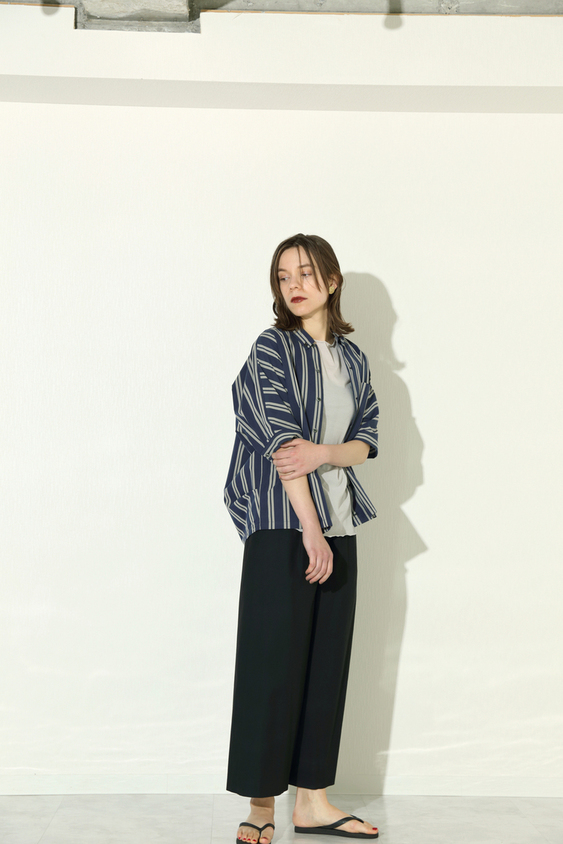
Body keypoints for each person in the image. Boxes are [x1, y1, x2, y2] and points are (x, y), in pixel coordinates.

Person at [223, 234, 380, 844]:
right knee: (271, 666)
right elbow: (285, 450)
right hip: (284, 525)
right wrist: (311, 530)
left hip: (341, 523)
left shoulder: (353, 359)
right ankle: (261, 805)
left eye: (306, 273)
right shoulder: (272, 348)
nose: (294, 284)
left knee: (324, 667)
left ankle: (312, 803)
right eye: (283, 275)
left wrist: (326, 454)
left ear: (332, 281)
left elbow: (366, 440)